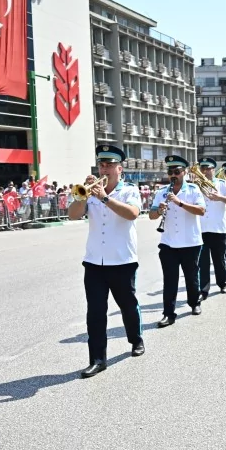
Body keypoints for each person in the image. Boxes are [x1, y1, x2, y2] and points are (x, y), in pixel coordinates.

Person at [68, 145, 145, 378]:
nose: (105, 168)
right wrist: (85, 196)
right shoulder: (90, 192)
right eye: (102, 164)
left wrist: (105, 198)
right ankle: (97, 359)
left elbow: (132, 214)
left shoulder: (129, 190)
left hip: (122, 260)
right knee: (95, 312)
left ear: (119, 169)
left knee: (128, 306)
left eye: (110, 165)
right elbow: (73, 214)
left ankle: (135, 339)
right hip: (94, 262)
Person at [150, 155, 206, 324]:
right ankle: (168, 313)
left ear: (185, 172)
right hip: (168, 243)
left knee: (191, 277)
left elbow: (201, 211)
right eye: (170, 172)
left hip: (190, 242)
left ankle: (194, 302)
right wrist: (159, 210)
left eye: (177, 171)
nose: (173, 175)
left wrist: (180, 202)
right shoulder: (161, 192)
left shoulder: (194, 190)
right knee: (170, 280)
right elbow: (152, 216)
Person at [198, 157, 226, 299]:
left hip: (218, 229)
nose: (204, 171)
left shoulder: (222, 184)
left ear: (213, 170)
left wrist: (220, 197)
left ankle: (222, 283)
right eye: (202, 168)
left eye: (208, 168)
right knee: (202, 262)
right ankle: (203, 289)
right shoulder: (195, 185)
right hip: (201, 229)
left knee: (219, 259)